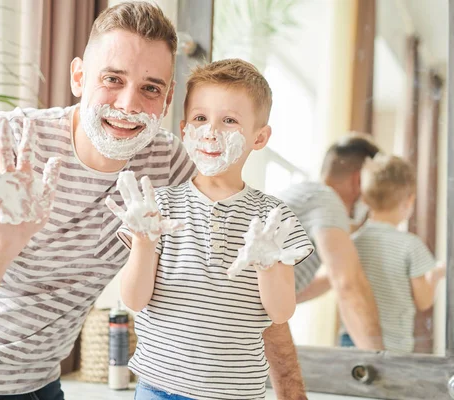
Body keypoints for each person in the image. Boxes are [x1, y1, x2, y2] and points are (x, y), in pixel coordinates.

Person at [0, 2, 308, 399]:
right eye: (112, 79)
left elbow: (243, 293)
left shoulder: (173, 166)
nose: (127, 104)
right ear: (78, 77)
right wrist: (0, 244)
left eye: (150, 89)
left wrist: (291, 390)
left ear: (168, 99)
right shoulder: (6, 141)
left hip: (35, 385)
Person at [107, 59, 314, 400]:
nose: (211, 131)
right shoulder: (155, 206)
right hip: (158, 389)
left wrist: (265, 265)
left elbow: (281, 312)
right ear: (185, 127)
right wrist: (144, 242)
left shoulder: (274, 218)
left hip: (236, 394)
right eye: (201, 119)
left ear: (259, 137)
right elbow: (133, 300)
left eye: (229, 121)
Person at [279, 133, 386, 350]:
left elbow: (290, 293)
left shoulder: (306, 195)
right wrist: (380, 361)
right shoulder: (327, 199)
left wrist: (345, 264)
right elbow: (347, 285)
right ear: (359, 180)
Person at [339, 154, 445, 352]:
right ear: (409, 201)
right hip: (393, 346)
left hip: (352, 340)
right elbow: (424, 301)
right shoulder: (411, 245)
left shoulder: (352, 243)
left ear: (365, 198)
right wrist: (436, 275)